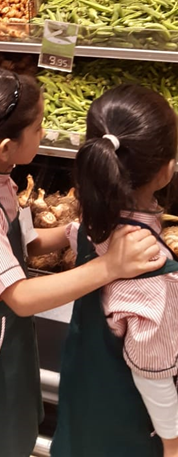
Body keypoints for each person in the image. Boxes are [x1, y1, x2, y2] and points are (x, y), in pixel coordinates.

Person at [0, 68, 166, 457]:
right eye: (39, 127)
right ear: (5, 148)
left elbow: (23, 242)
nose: (44, 133)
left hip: (2, 348)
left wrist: (78, 232)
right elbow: (21, 297)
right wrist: (108, 267)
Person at [52, 85, 178, 457]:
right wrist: (172, 445)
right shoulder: (152, 267)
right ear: (166, 170)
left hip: (82, 400)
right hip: (127, 429)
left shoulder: (92, 224)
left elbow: (72, 235)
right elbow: (153, 377)